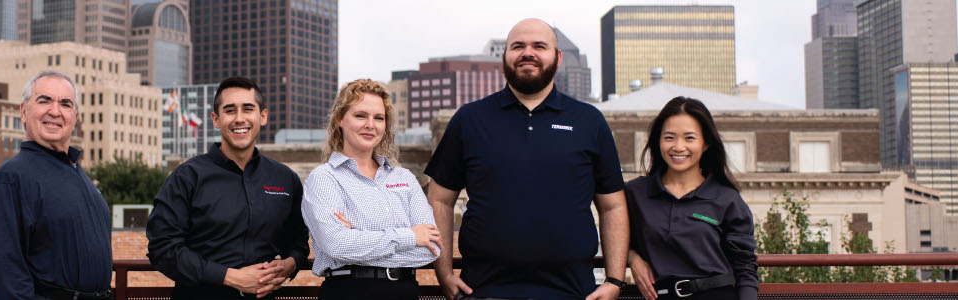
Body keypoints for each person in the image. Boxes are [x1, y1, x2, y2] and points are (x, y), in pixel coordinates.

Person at [424, 18, 629, 300]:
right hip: (484, 291)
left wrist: (615, 280)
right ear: (505, 57)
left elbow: (613, 207)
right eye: (517, 46)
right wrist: (444, 274)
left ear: (557, 58)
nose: (527, 52)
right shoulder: (469, 120)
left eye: (539, 46)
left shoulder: (589, 121)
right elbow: (439, 200)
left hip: (572, 292)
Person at [146, 76, 310, 300]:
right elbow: (162, 248)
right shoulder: (187, 177)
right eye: (230, 110)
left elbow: (299, 242)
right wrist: (230, 277)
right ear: (216, 119)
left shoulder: (285, 179)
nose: (239, 119)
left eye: (248, 109)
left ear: (262, 116)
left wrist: (290, 264)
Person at [301, 79, 439, 300]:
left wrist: (357, 237)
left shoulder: (404, 178)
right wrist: (410, 236)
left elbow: (429, 247)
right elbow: (336, 245)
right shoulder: (324, 179)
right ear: (339, 119)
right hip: (349, 293)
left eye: (379, 118)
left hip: (405, 292)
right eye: (360, 115)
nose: (370, 124)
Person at [0, 70, 112, 300]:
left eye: (65, 104)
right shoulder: (12, 178)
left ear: (75, 116)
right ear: (23, 111)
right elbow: (6, 274)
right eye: (44, 101)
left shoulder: (77, 173)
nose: (55, 111)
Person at [625, 97, 758, 300]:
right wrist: (632, 258)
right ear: (657, 141)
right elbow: (613, 237)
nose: (678, 147)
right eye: (669, 137)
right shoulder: (636, 193)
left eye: (689, 138)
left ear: (706, 144)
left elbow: (745, 266)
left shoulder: (726, 198)